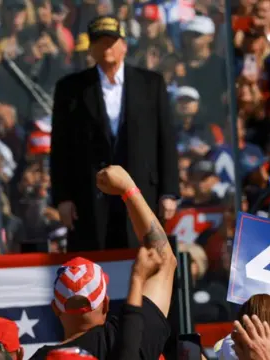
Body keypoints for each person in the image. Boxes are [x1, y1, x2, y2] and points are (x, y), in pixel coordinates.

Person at [50, 15, 179, 252]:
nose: (106, 47)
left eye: (111, 41)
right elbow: (60, 147)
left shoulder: (150, 84)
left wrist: (169, 191)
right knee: (94, 266)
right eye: (99, 42)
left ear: (124, 45)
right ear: (90, 48)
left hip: (141, 191)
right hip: (88, 195)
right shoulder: (71, 89)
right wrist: (62, 197)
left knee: (143, 260)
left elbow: (166, 139)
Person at [29, 165, 176, 360]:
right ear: (106, 304)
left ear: (55, 309)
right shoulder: (126, 339)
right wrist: (128, 189)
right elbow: (163, 258)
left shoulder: (41, 358)